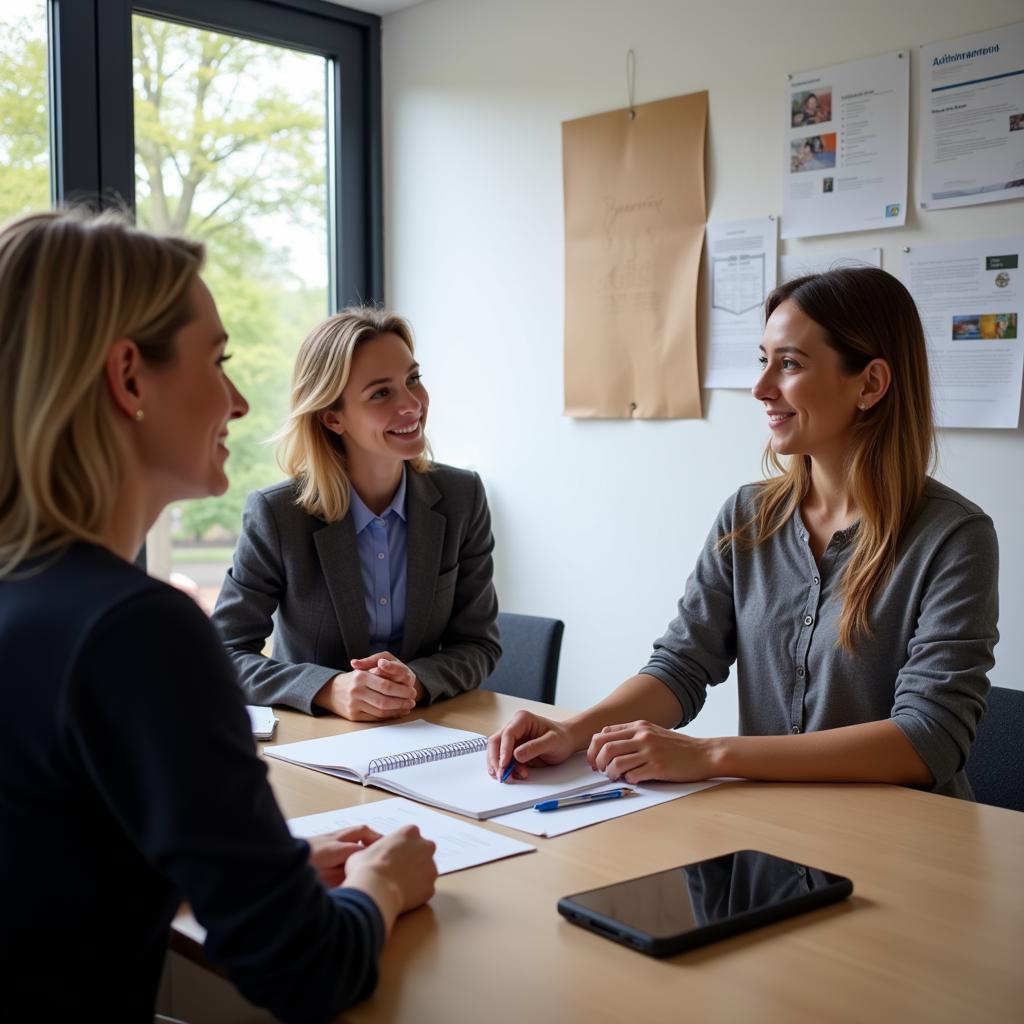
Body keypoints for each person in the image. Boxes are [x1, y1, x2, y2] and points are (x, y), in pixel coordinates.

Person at [0, 209, 438, 1020]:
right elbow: (306, 971)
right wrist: (383, 883)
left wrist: (268, 865)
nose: (238, 402)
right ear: (129, 378)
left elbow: (51, 867)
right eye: (218, 360)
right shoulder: (135, 631)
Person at [488, 267, 998, 801]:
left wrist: (710, 755)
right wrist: (573, 731)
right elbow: (682, 665)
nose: (760, 388)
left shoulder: (955, 537)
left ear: (869, 383)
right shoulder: (748, 515)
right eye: (763, 361)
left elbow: (928, 740)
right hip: (768, 835)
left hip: (905, 848)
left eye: (790, 364)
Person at [212, 307, 500, 720]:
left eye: (413, 380)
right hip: (316, 743)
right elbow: (224, 652)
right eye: (381, 393)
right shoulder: (278, 515)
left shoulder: (462, 497)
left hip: (427, 733)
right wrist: (328, 689)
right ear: (332, 417)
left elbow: (479, 644)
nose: (411, 405)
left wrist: (414, 682)